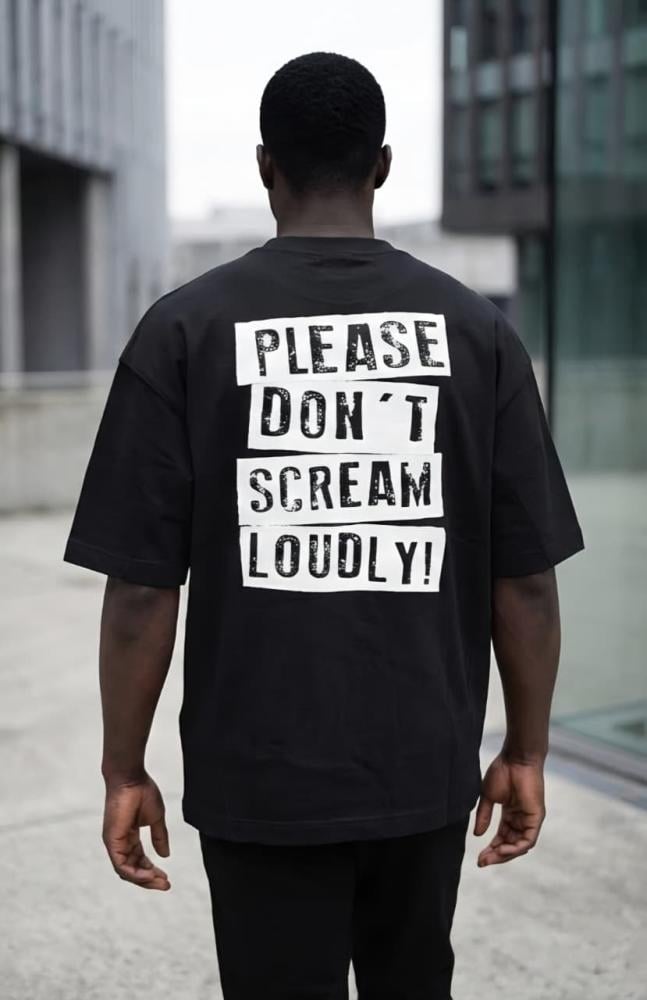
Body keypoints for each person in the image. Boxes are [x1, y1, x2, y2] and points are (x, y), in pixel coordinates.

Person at [63, 51, 584, 1000]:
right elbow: (527, 581)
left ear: (266, 166)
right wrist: (524, 750)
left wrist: (123, 768)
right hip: (422, 769)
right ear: (380, 165)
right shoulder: (476, 334)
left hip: (257, 777)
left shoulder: (182, 331)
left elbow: (140, 588)